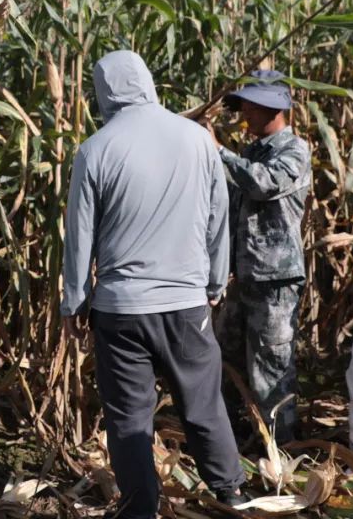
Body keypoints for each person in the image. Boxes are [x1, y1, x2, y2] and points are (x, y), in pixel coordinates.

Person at [61, 50, 245, 517]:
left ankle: (141, 506)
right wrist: (214, 281)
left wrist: (75, 302)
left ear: (103, 92)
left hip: (120, 310)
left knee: (128, 416)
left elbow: (79, 237)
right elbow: (217, 216)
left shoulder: (95, 149)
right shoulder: (197, 140)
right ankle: (231, 493)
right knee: (202, 402)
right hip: (186, 303)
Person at [214, 70, 311, 444]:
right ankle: (235, 440)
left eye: (250, 108)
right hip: (247, 278)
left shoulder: (293, 151)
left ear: (272, 108)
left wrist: (217, 150)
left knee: (270, 367)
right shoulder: (251, 152)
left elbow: (263, 183)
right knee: (227, 361)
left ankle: (281, 449)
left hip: (276, 282)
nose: (244, 116)